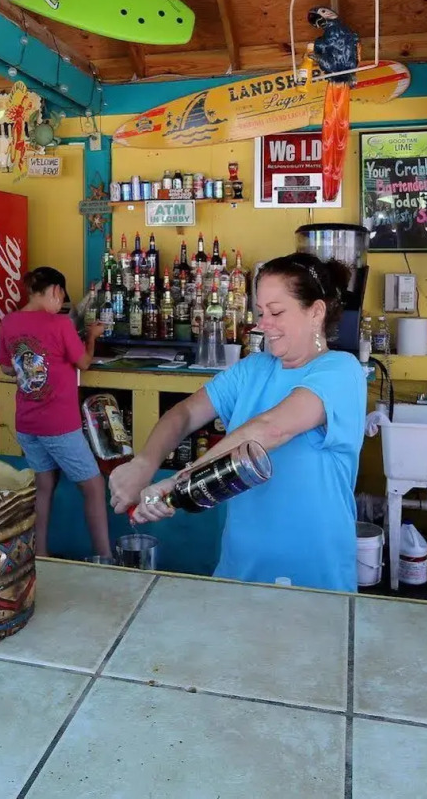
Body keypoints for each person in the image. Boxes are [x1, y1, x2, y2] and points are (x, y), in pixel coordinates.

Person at [109, 252, 367, 591]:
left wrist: (179, 484)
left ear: (316, 312)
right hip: (239, 569)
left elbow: (272, 429)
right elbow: (184, 414)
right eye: (261, 313)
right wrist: (145, 462)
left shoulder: (341, 370)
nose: (263, 324)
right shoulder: (253, 369)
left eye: (276, 312)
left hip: (313, 574)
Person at [0, 266, 110, 560]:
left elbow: (7, 367)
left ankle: (41, 555)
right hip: (58, 425)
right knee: (95, 486)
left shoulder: (8, 322)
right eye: (61, 298)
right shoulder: (59, 324)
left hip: (27, 424)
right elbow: (84, 362)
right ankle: (106, 557)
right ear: (57, 292)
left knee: (43, 485)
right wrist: (93, 335)